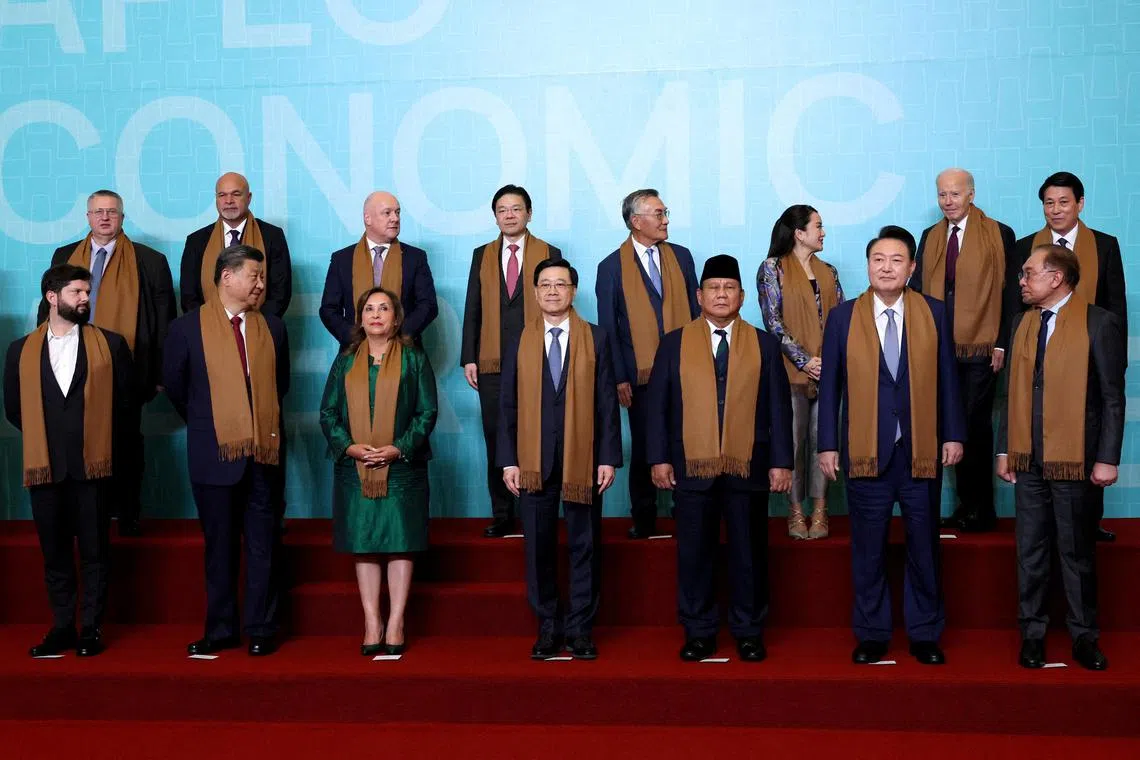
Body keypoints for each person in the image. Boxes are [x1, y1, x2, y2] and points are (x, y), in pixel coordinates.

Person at [818, 226, 965, 666]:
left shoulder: (934, 312)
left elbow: (948, 380)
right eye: (878, 259)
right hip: (866, 451)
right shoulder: (843, 317)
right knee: (868, 547)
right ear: (868, 266)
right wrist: (827, 445)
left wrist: (953, 433)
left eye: (897, 260)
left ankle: (924, 633)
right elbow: (830, 389)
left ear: (912, 267)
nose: (887, 267)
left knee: (924, 546)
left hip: (921, 450)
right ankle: (873, 633)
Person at [646, 254, 794, 663]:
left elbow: (779, 408)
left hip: (749, 465)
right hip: (692, 467)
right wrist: (659, 457)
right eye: (714, 288)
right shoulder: (674, 343)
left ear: (743, 296)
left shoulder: (764, 344)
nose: (722, 294)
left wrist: (782, 461)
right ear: (699, 295)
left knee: (749, 553)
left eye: (730, 288)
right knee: (694, 554)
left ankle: (748, 631)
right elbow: (658, 406)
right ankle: (699, 631)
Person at [997, 244, 1124, 671]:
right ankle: (1032, 635)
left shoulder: (1099, 322)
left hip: (1076, 460)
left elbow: (1111, 397)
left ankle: (1083, 637)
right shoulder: (1020, 323)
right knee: (1029, 551)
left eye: (1029, 273)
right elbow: (1011, 392)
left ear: (1056, 278)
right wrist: (1005, 449)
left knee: (1076, 552)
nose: (1021, 280)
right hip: (1028, 457)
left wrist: (1107, 457)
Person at [163, 245, 290, 657]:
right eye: (253, 276)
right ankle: (220, 629)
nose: (260, 284)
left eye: (262, 277)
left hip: (264, 455)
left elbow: (280, 384)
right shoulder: (185, 329)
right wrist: (217, 424)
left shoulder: (272, 326)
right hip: (213, 454)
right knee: (218, 548)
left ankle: (261, 628)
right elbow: (178, 390)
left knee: (263, 545)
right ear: (226, 277)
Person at [5, 264, 133, 657]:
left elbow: (126, 409)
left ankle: (91, 629)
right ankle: (62, 626)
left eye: (87, 292)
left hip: (93, 468)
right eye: (77, 292)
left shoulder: (110, 346)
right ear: (52, 297)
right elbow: (14, 410)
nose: (85, 299)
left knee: (96, 552)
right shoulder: (19, 350)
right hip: (45, 470)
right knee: (55, 553)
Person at [498, 259, 622, 659]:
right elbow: (507, 406)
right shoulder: (518, 339)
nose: (552, 291)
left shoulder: (597, 338)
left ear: (573, 291)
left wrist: (607, 457)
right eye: (545, 285)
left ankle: (581, 629)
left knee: (584, 546)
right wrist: (509, 460)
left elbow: (606, 403)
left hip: (582, 460)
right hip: (532, 463)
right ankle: (548, 628)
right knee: (538, 547)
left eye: (561, 284)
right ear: (535, 293)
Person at [37, 190, 176, 537]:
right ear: (87, 217)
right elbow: (47, 310)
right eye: (98, 212)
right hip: (71, 362)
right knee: (74, 440)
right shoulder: (64, 256)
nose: (104, 218)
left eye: (111, 212)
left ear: (122, 217)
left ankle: (127, 512)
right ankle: (81, 515)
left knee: (125, 441)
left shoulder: (150, 260)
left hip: (128, 365)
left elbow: (165, 322)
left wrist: (159, 374)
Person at [320, 288, 438, 656]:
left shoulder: (414, 359)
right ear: (359, 318)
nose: (375, 315)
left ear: (397, 318)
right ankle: (372, 620)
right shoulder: (345, 361)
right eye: (368, 309)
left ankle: (397, 620)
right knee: (365, 543)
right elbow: (328, 413)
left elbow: (427, 412)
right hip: (355, 468)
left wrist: (399, 448)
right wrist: (350, 447)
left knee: (401, 542)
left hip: (402, 467)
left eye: (383, 308)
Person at [1015, 172, 1126, 543]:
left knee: (1088, 440)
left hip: (1090, 359)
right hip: (1041, 353)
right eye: (1049, 202)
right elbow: (1016, 304)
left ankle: (1086, 523)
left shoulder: (1105, 245)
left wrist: (1113, 362)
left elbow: (1116, 307)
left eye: (1064, 202)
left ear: (1080, 203)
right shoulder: (1027, 246)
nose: (1056, 209)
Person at [911, 169, 1018, 533]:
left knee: (974, 424)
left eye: (955, 194)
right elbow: (917, 289)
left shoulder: (999, 233)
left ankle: (980, 508)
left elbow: (1010, 294)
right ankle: (965, 507)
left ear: (971, 194)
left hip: (983, 347)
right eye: (942, 195)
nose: (948, 201)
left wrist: (1003, 339)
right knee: (950, 427)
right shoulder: (930, 237)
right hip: (939, 347)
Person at [596, 189, 699, 539]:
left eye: (665, 212)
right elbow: (608, 327)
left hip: (686, 367)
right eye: (659, 213)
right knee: (644, 446)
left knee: (685, 442)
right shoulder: (610, 267)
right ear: (636, 221)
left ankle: (685, 510)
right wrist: (619, 377)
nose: (666, 219)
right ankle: (644, 517)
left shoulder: (682, 257)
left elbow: (697, 313)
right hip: (637, 374)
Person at [461, 185, 561, 538]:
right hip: (491, 363)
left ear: (529, 214)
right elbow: (473, 306)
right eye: (502, 210)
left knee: (539, 432)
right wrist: (469, 357)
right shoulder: (482, 254)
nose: (509, 215)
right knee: (496, 436)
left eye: (516, 209)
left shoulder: (549, 252)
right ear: (495, 216)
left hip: (539, 358)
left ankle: (539, 508)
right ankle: (502, 513)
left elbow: (558, 303)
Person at [757, 205, 844, 539]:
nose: (823, 232)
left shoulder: (829, 271)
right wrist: (805, 359)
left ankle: (821, 511)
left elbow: (839, 321)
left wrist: (829, 362)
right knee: (791, 442)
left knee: (824, 442)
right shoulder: (772, 269)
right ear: (798, 232)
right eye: (818, 226)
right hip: (789, 372)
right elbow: (773, 322)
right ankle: (795, 512)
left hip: (829, 372)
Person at [319, 191, 439, 347]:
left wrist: (398, 337)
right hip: (354, 350)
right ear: (367, 218)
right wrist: (354, 339)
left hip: (404, 349)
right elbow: (329, 309)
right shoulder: (342, 259)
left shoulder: (415, 257)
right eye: (387, 213)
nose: (395, 218)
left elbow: (428, 306)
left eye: (397, 212)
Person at [180, 172, 293, 317]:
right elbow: (189, 296)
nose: (228, 201)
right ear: (216, 199)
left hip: (260, 328)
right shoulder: (196, 241)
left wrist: (252, 325)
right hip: (208, 330)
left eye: (236, 194)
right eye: (222, 195)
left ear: (249, 198)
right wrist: (208, 325)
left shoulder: (272, 236)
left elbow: (280, 293)